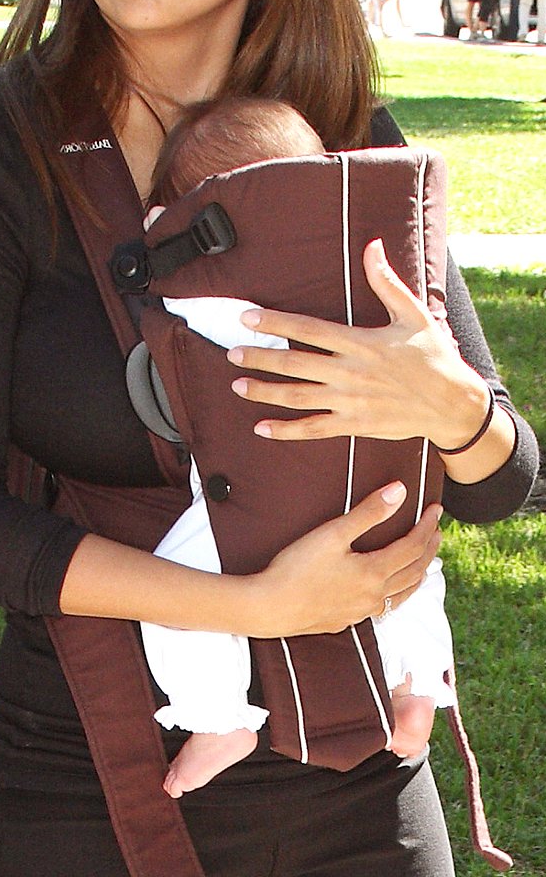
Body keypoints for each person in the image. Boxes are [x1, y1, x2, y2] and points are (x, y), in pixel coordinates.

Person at [0, 0, 536, 876]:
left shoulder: (345, 143)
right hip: (95, 767)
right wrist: (250, 607)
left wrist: (450, 408)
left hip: (358, 765)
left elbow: (504, 483)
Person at [135, 97, 461, 800]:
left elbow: (176, 310)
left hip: (262, 493)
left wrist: (160, 233)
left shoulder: (220, 292)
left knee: (174, 594)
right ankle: (416, 687)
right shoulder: (379, 275)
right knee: (413, 573)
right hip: (388, 487)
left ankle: (218, 717)